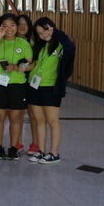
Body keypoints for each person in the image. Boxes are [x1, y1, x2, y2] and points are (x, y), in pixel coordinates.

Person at [26, 17, 75, 164]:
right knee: (39, 120)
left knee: (52, 121)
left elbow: (71, 48)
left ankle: (54, 153)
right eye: (40, 33)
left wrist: (57, 33)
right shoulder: (39, 46)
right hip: (34, 86)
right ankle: (41, 151)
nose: (44, 35)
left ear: (52, 28)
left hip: (51, 87)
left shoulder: (61, 45)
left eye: (46, 30)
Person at [0, 14, 33, 161]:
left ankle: (14, 148)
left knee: (15, 117)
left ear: (17, 27)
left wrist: (16, 67)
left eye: (12, 25)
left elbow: (30, 63)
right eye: (5, 26)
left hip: (17, 84)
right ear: (0, 27)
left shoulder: (23, 43)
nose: (9, 28)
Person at [15, 14, 35, 155]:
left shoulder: (34, 42)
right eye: (19, 24)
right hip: (17, 81)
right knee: (18, 114)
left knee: (34, 114)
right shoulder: (11, 41)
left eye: (25, 24)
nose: (22, 27)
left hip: (32, 81)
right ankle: (18, 142)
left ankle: (35, 144)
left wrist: (25, 68)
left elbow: (35, 62)